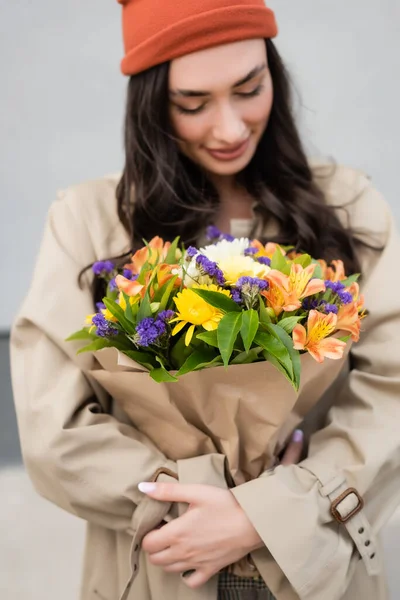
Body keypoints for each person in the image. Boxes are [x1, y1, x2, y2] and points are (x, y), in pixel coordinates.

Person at [10, 1, 400, 599]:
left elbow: (390, 391)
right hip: (161, 568)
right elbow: (54, 430)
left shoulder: (349, 207)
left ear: (275, 73)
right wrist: (190, 500)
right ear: (150, 104)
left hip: (318, 565)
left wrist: (273, 511)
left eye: (249, 88)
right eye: (192, 104)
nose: (229, 127)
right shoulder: (89, 223)